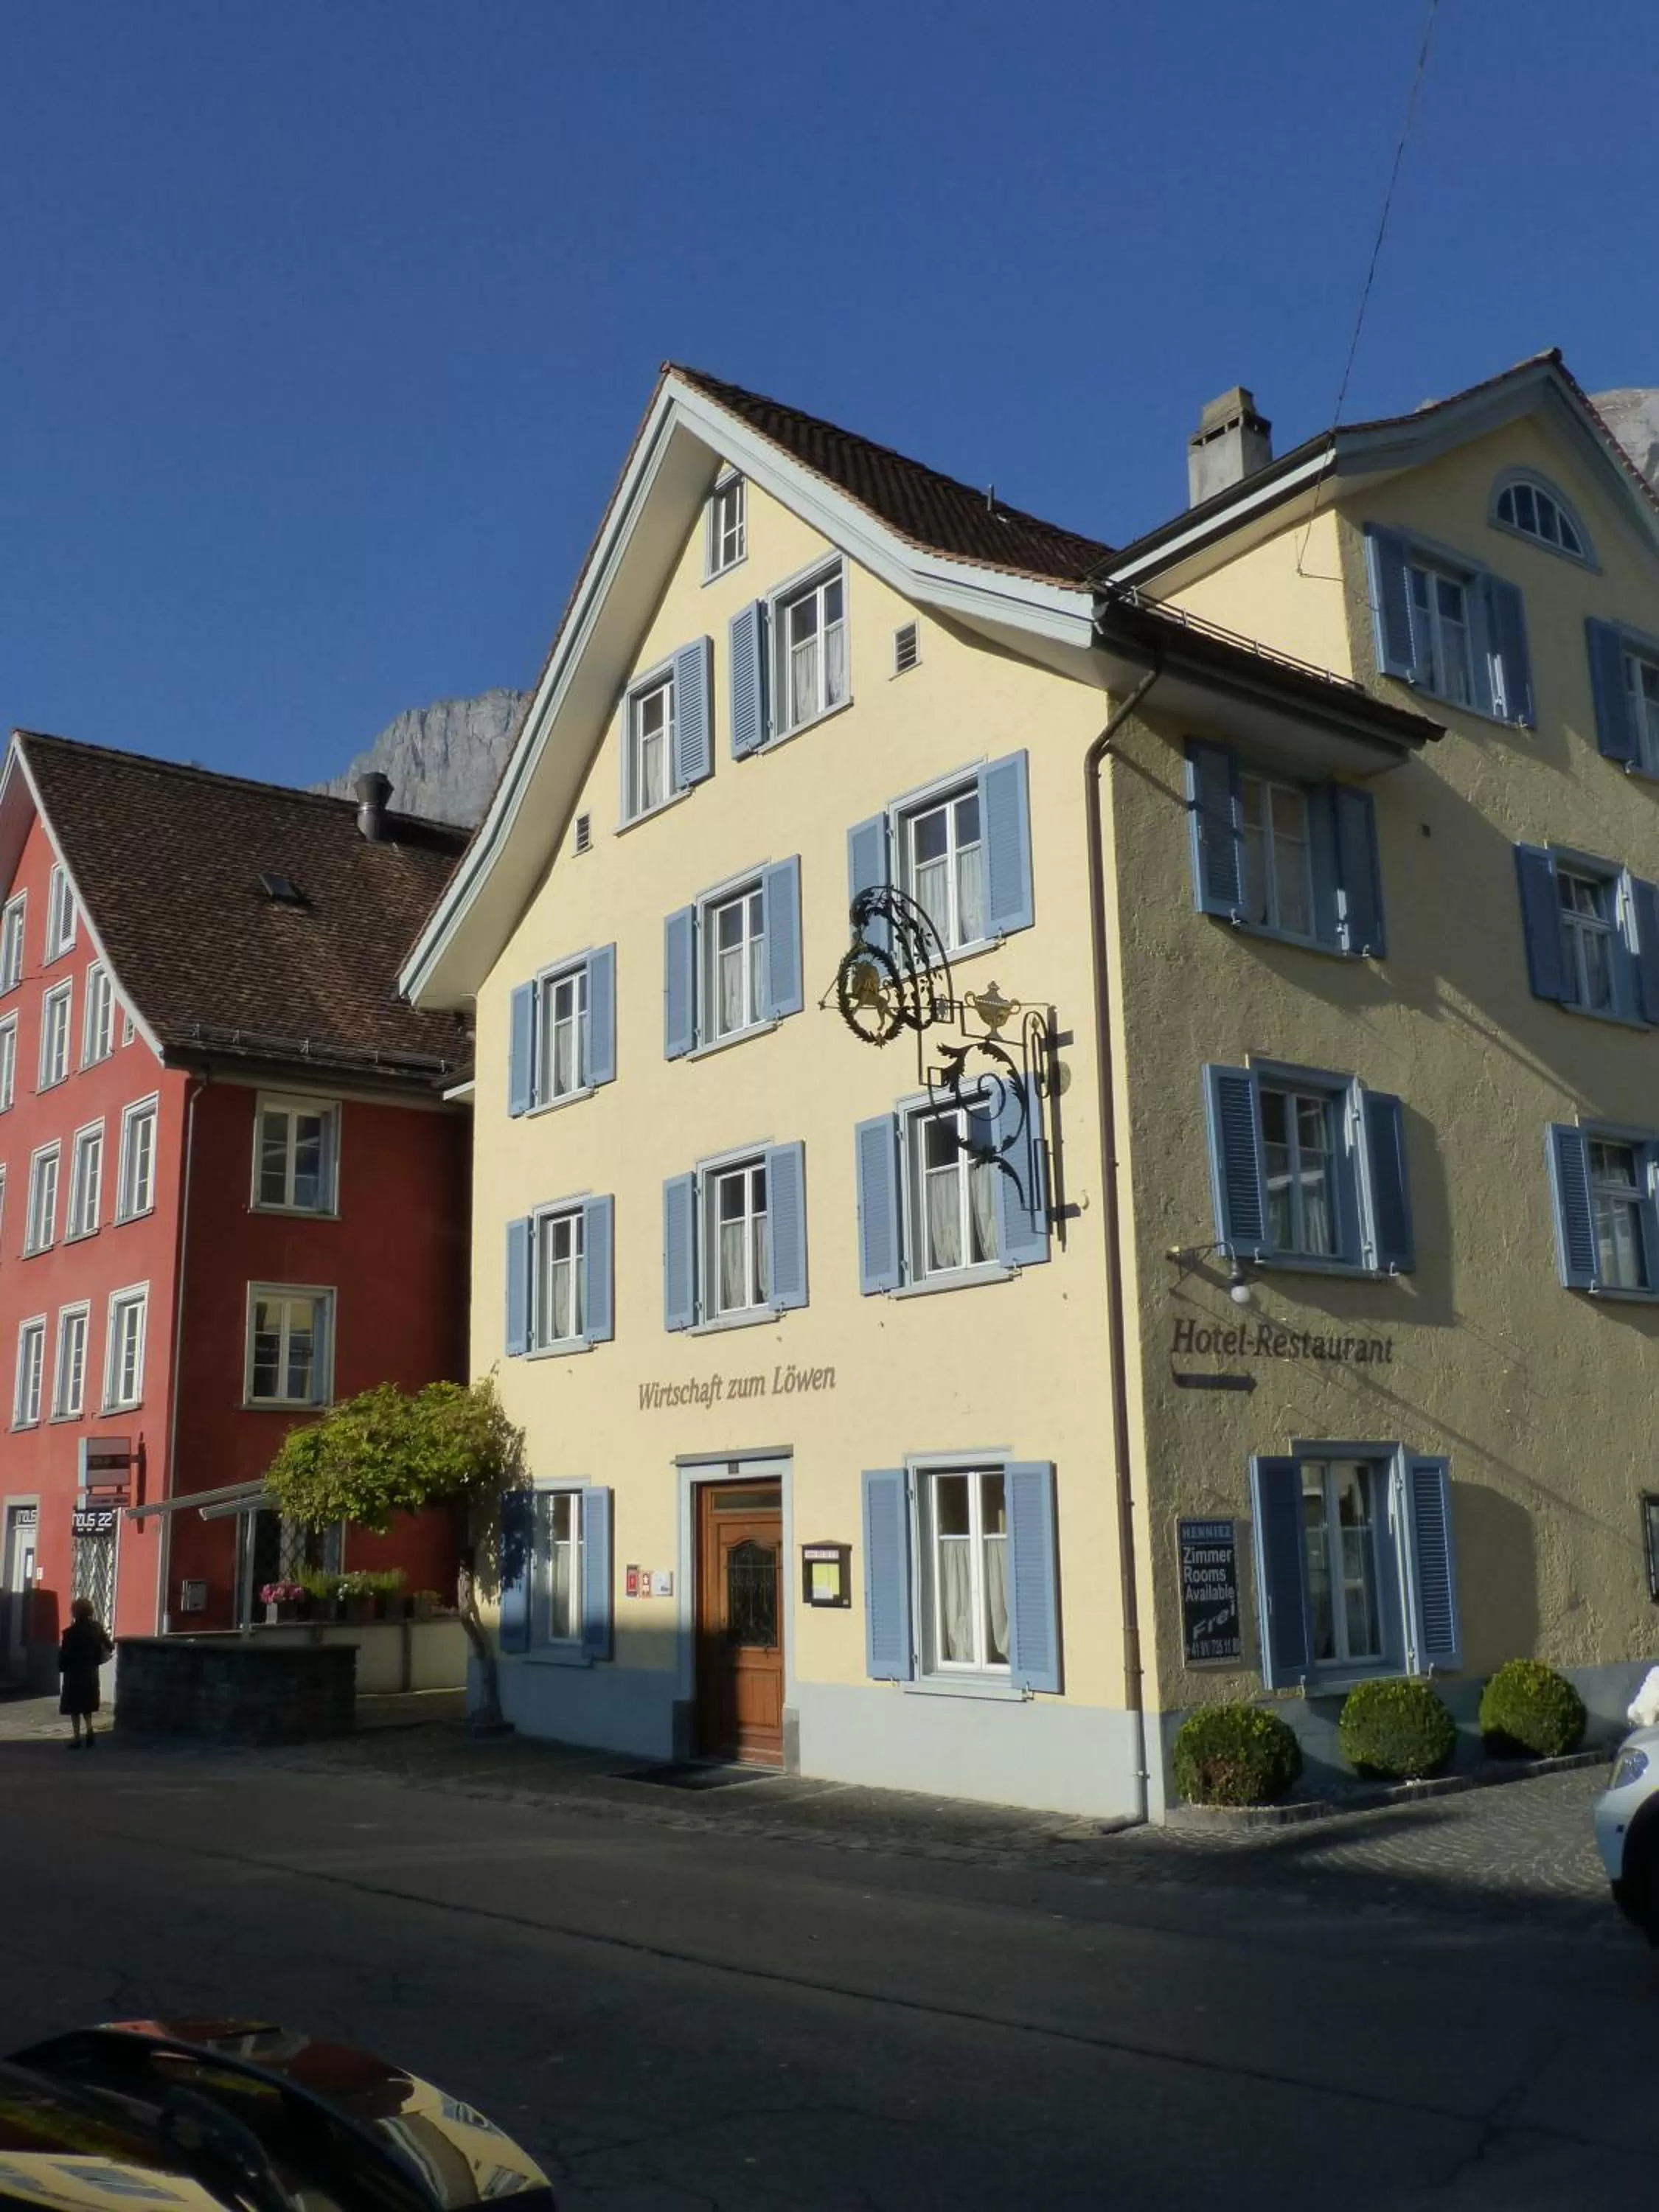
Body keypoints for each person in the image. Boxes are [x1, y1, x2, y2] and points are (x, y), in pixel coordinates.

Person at [58, 1596, 114, 1749]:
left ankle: (77, 1738)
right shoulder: (97, 1628)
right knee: (87, 1705)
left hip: (74, 1673)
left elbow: (65, 1655)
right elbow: (110, 1645)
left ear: (75, 1613)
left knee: (74, 1707)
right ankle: (89, 1729)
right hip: (90, 1672)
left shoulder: (70, 1633)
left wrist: (62, 1667)